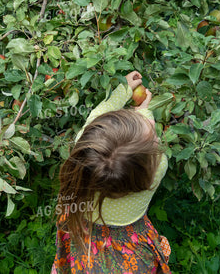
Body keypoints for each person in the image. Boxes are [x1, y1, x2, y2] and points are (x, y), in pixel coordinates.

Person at [51, 71, 171, 274]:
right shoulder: (158, 168)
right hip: (130, 246)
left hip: (83, 233)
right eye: (153, 141)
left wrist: (122, 90)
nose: (157, 141)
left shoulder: (86, 150)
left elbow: (95, 118)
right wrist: (144, 110)